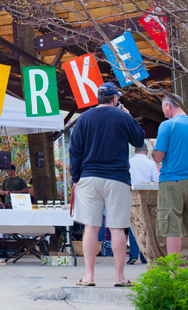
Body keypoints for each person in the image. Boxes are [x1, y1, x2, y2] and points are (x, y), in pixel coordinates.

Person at [69, 82, 145, 287]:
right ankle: (120, 277)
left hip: (89, 177)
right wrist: (127, 115)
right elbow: (139, 140)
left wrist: (76, 177)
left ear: (98, 99)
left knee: (91, 227)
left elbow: (75, 151)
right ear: (115, 99)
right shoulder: (122, 117)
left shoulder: (84, 118)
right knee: (118, 228)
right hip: (117, 178)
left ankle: (89, 276)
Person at [152, 95, 188, 257]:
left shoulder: (167, 125)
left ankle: (173, 271)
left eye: (163, 109)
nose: (164, 113)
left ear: (168, 105)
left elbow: (158, 157)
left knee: (172, 227)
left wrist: (154, 145)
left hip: (171, 180)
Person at [128, 143, 158, 264]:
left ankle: (133, 254)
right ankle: (146, 254)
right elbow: (156, 180)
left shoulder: (129, 162)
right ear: (146, 151)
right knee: (146, 225)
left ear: (135, 151)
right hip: (147, 195)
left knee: (134, 223)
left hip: (131, 194)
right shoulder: (151, 163)